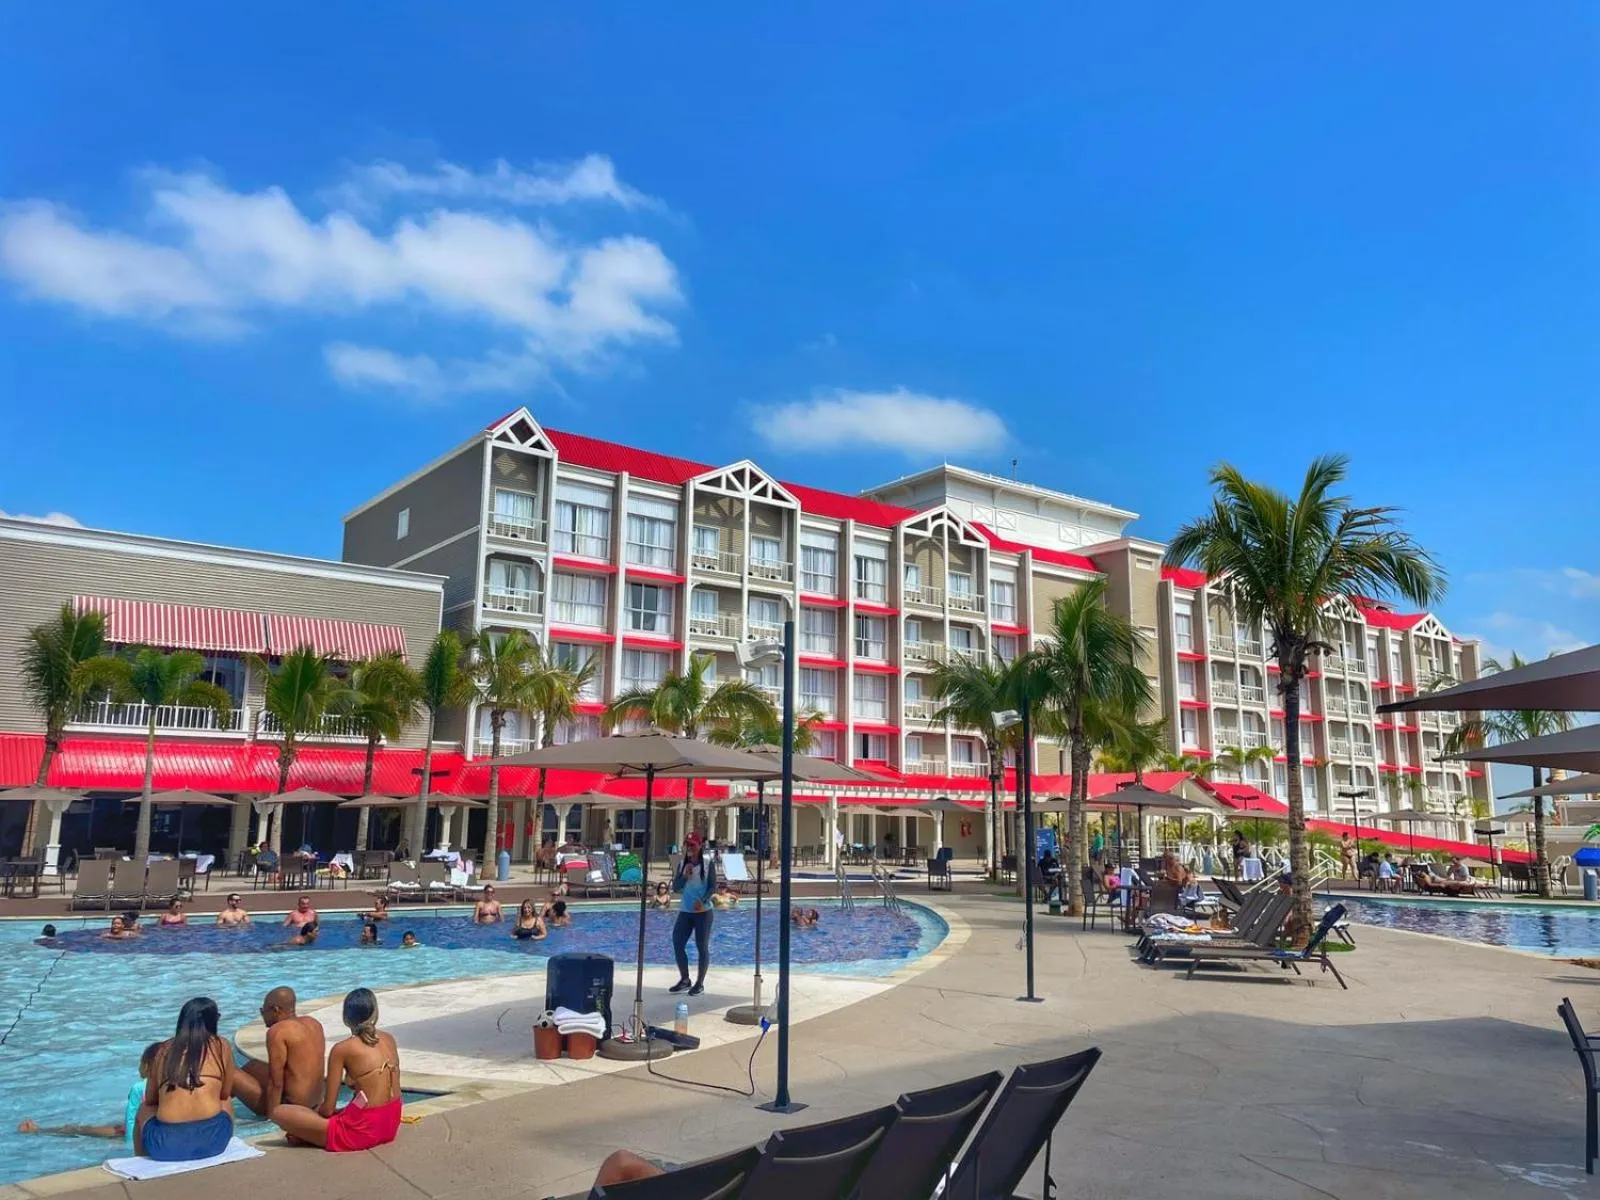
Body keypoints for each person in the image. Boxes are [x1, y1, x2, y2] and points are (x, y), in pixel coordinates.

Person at [269, 988, 402, 1152]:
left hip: (361, 1132)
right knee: (326, 1115)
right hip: (390, 1123)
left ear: (345, 1018)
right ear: (375, 1013)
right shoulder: (389, 1039)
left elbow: (327, 1110)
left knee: (279, 1112)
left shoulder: (342, 1049)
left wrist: (313, 1118)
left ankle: (309, 1136)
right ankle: (310, 1134)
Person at [135, 998, 235, 1161]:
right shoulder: (221, 1045)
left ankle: (140, 1160)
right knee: (225, 1100)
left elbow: (151, 1100)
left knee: (144, 1108)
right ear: (212, 1020)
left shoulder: (163, 1050)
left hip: (165, 1147)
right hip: (213, 1142)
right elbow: (225, 1093)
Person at [19, 1042, 163, 1147]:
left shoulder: (139, 1089)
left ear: (145, 1066)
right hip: (160, 1132)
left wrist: (131, 1147)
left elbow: (131, 1125)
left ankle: (38, 1130)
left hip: (134, 1134)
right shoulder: (167, 1086)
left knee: (81, 1129)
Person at [231, 987, 327, 1117]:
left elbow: (276, 1083)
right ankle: (227, 1094)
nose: (262, 1015)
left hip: (293, 1108)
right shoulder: (314, 1023)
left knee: (231, 1074)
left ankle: (214, 1103)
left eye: (263, 1011)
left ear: (276, 1010)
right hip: (316, 1102)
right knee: (253, 1066)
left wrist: (274, 1117)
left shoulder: (278, 1032)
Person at [670, 837, 717, 996]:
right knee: (677, 942)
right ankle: (685, 979)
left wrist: (703, 901)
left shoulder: (707, 863)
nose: (689, 847)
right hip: (686, 911)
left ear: (700, 846)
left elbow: (712, 887)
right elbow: (676, 887)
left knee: (701, 946)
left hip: (703, 912)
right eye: (687, 845)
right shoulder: (682, 864)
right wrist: (685, 876)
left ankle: (700, 983)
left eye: (692, 845)